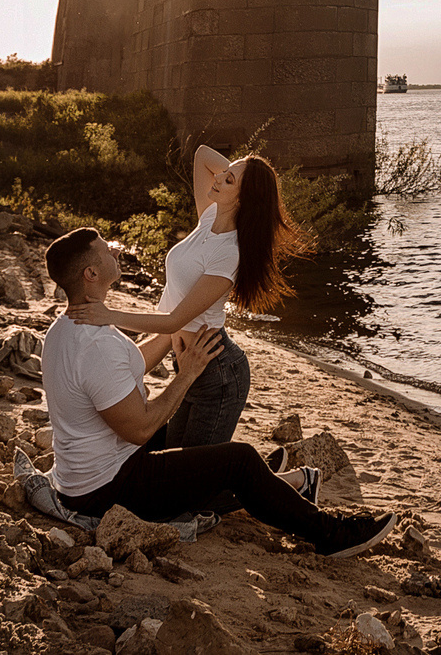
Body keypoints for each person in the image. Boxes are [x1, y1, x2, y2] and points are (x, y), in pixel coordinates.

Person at [19, 227, 395, 557]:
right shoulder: (96, 345)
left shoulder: (65, 328)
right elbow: (138, 430)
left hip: (90, 475)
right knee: (239, 460)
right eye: (106, 251)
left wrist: (173, 329)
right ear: (91, 273)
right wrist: (188, 372)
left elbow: (128, 366)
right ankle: (331, 535)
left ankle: (285, 483)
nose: (115, 250)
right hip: (108, 488)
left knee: (197, 441)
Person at [64, 146, 316, 449]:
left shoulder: (229, 253)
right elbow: (202, 155)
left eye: (229, 181)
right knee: (177, 463)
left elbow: (174, 320)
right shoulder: (209, 216)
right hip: (186, 363)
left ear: (243, 197)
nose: (219, 178)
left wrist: (109, 315)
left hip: (217, 372)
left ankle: (291, 481)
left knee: (195, 475)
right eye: (224, 173)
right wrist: (244, 173)